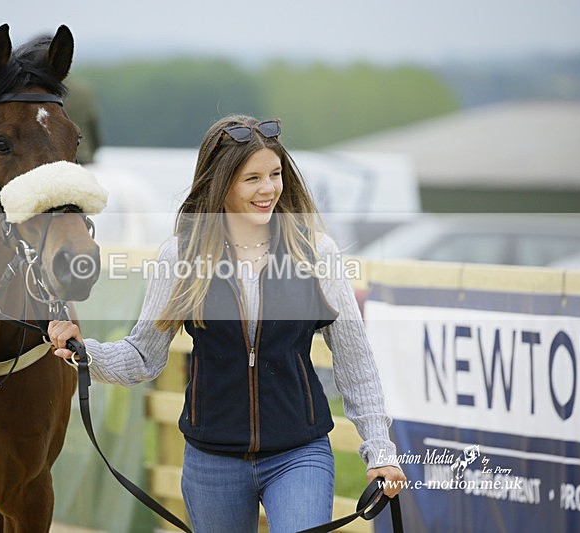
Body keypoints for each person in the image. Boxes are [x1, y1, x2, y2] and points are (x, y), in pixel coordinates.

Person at [48, 114, 405, 532]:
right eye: (252, 178)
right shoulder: (180, 257)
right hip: (212, 461)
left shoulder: (316, 253)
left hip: (299, 454)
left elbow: (355, 362)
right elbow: (143, 356)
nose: (269, 188)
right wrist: (85, 352)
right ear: (222, 184)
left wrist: (380, 450)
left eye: (275, 174)